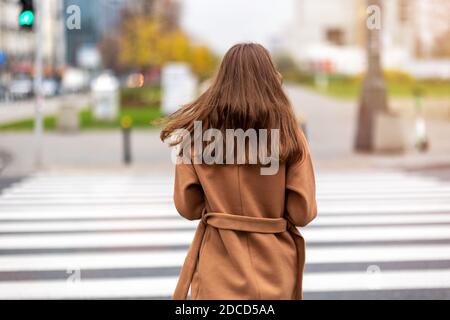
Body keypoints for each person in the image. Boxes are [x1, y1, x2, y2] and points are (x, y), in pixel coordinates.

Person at [160, 43, 317, 300]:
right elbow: (302, 212)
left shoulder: (198, 136)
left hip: (216, 271)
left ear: (221, 80)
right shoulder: (289, 134)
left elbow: (187, 206)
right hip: (275, 271)